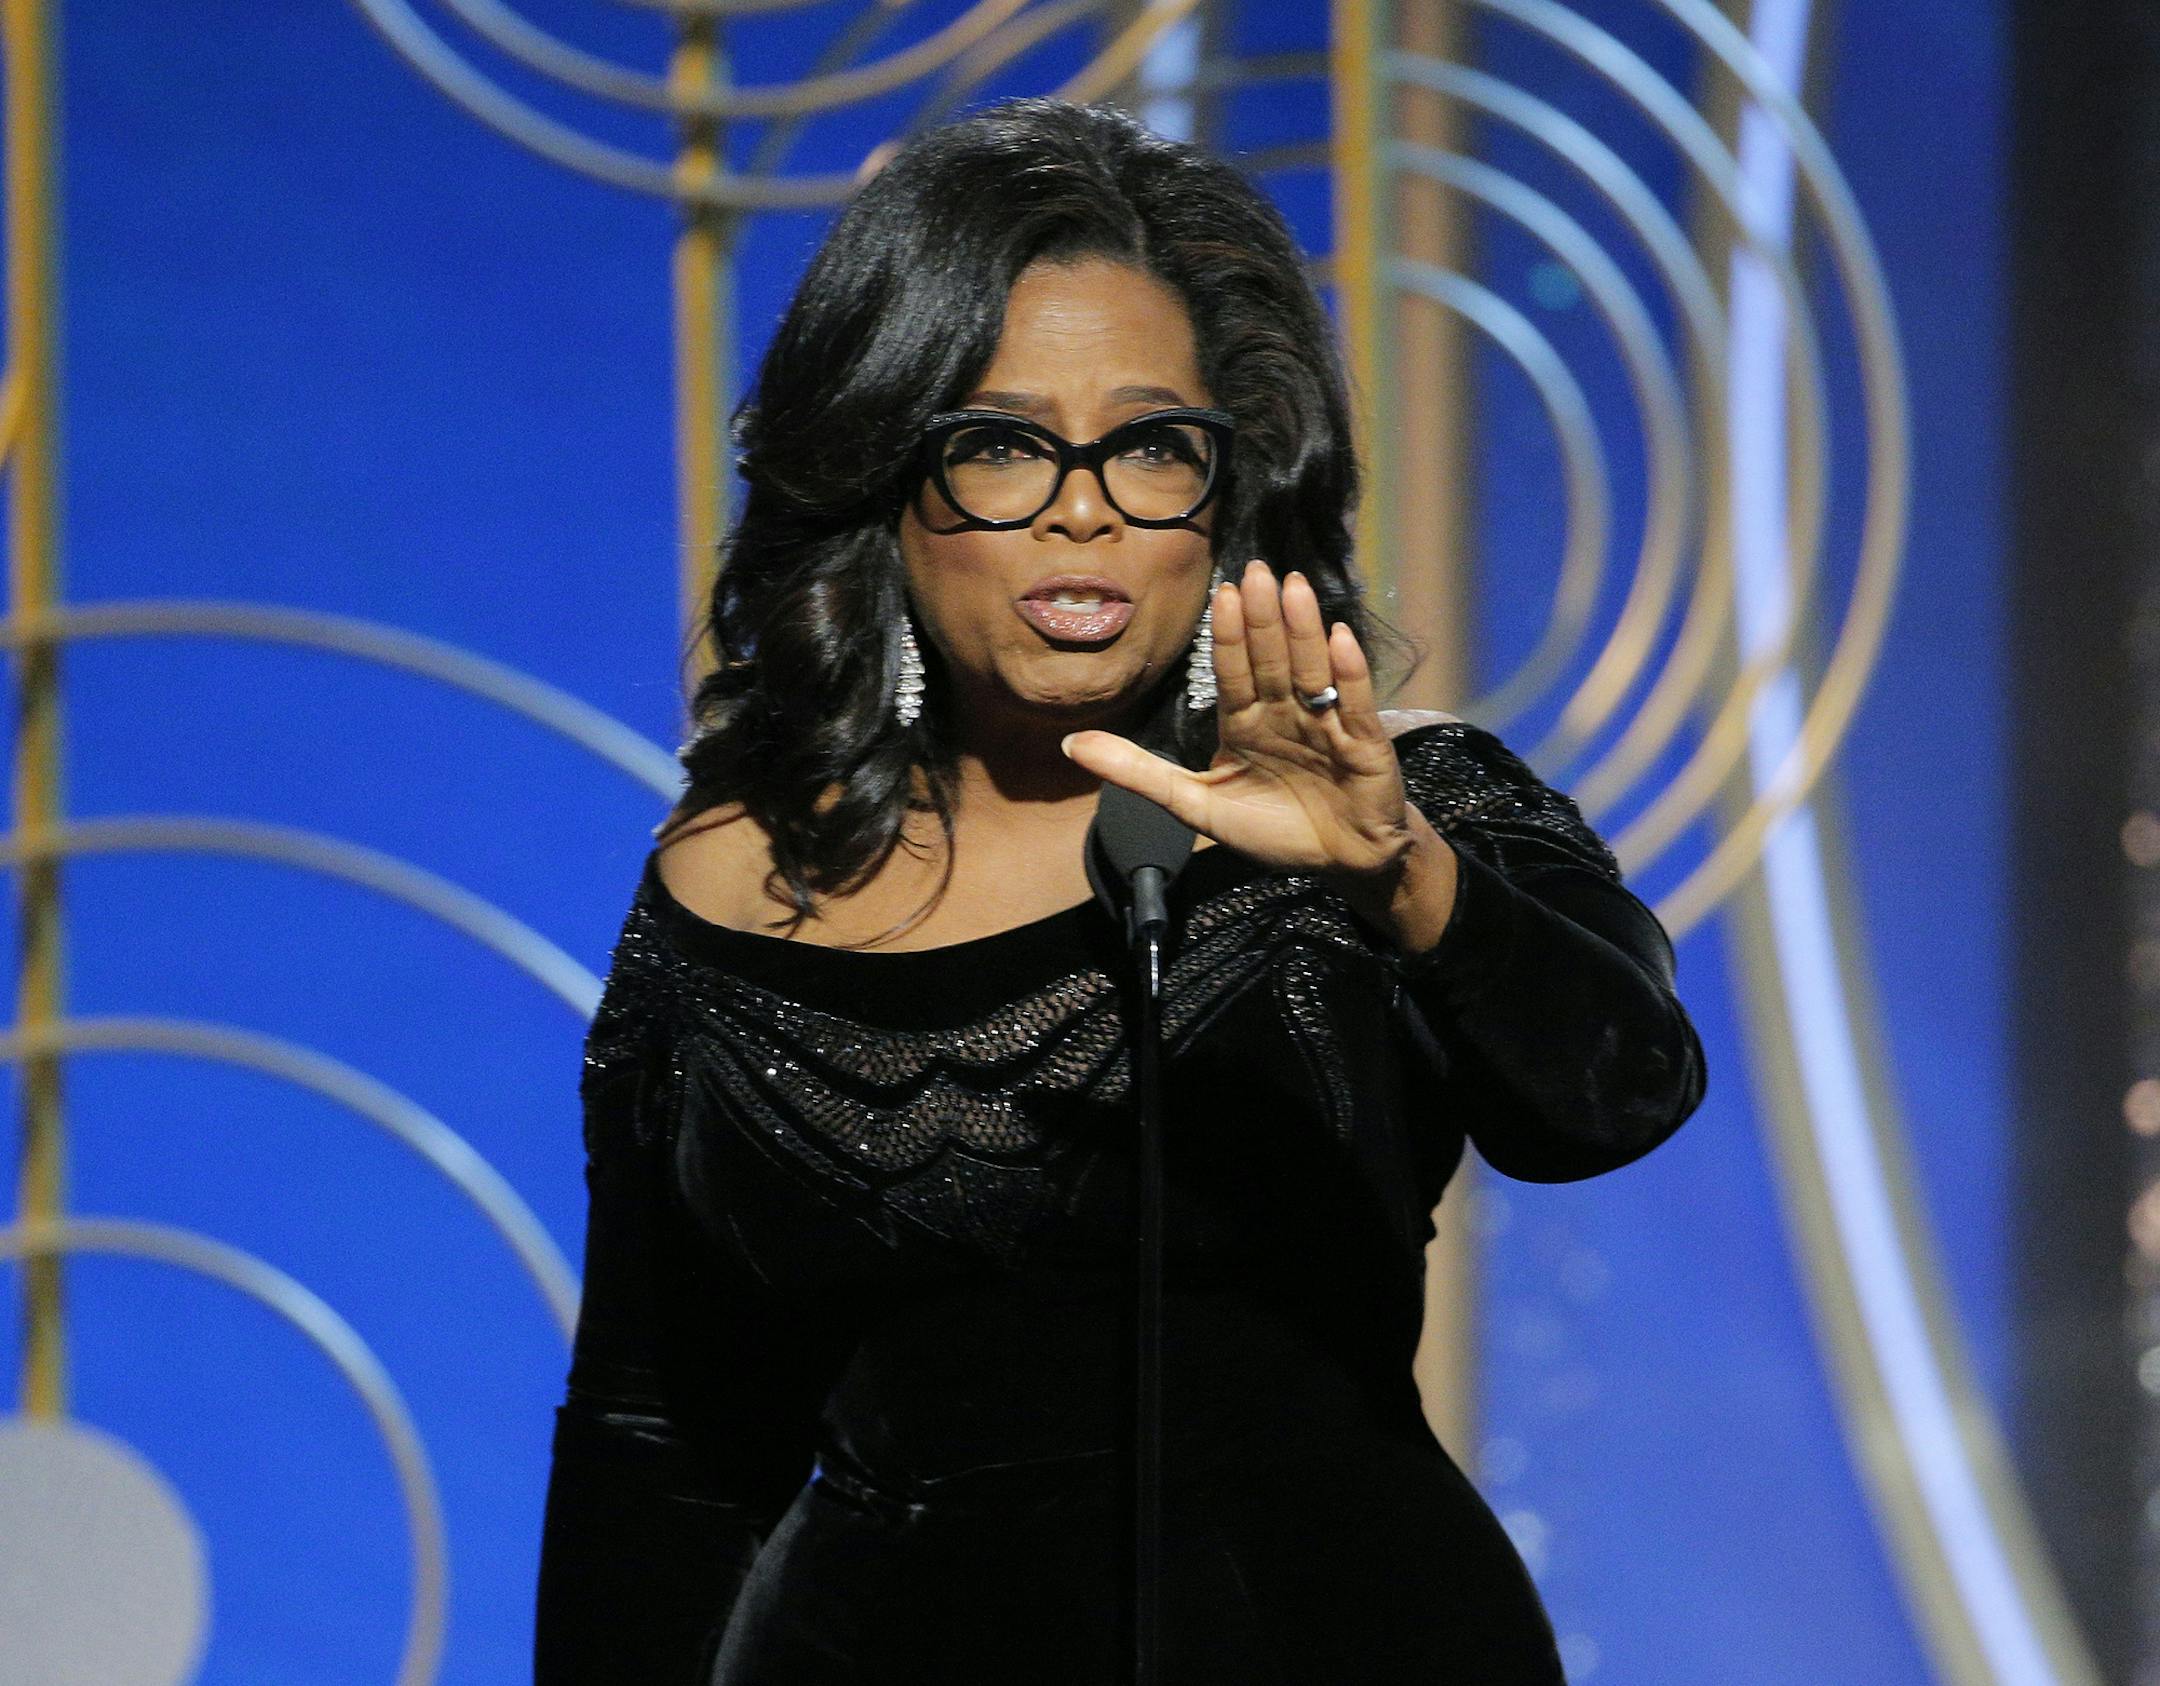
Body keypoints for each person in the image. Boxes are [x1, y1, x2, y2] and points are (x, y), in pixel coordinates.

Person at [532, 97, 1705, 1685]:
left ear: (1228, 496)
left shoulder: (1396, 800)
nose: (1081, 507)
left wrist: (1399, 877)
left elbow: (1617, 1092)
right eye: (1002, 444)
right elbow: (656, 1435)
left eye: (1153, 445)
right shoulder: (744, 874)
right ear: (887, 483)